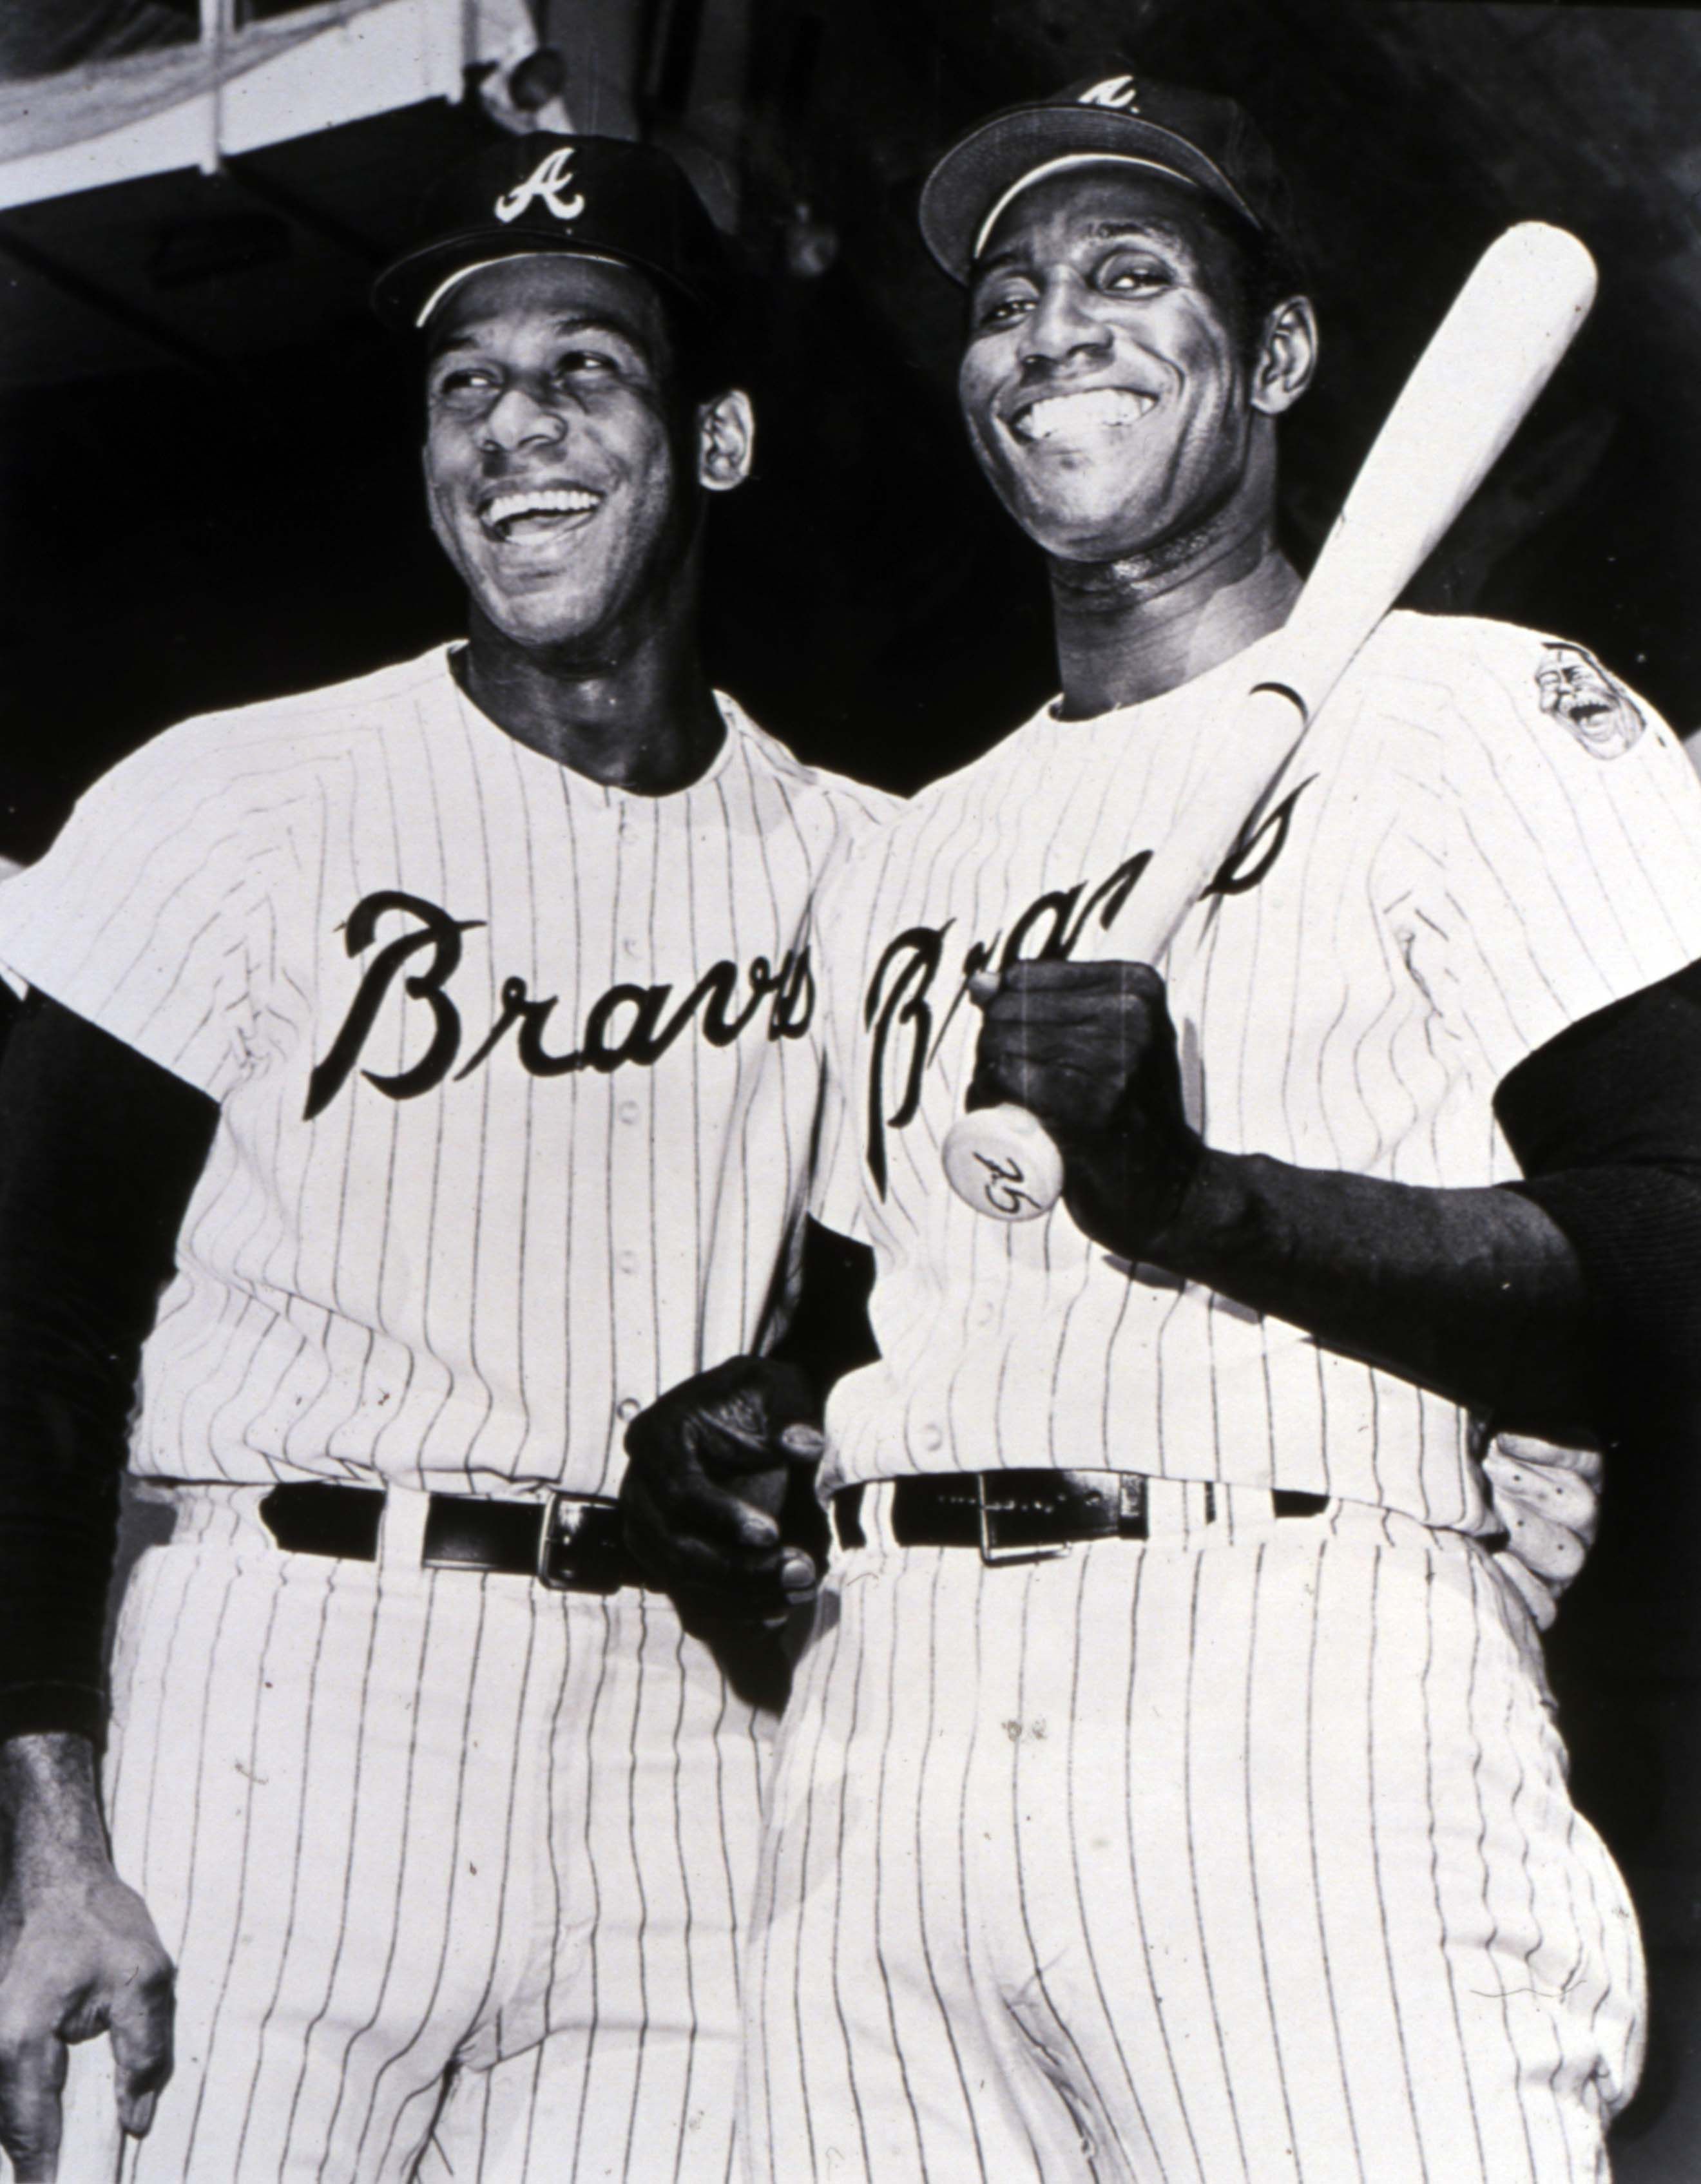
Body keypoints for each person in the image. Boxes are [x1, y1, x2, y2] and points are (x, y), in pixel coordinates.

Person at [620, 73, 1701, 2183]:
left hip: (1293, 1711)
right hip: (890, 1755)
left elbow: (1674, 1252)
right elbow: (863, 1338)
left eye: (1133, 274)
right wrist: (733, 1439)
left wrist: (1204, 1204)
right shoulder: (910, 852)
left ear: (1280, 355)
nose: (1050, 334)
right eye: (1008, 296)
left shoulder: (1484, 716)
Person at [0, 132, 886, 2183]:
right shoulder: (236, 799)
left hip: (676, 1739)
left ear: (721, 440)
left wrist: (795, 1404)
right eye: (462, 385)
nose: (512, 430)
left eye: (582, 368)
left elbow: (884, 1329)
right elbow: (29, 1333)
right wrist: (50, 1848)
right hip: (287, 1683)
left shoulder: (867, 864)